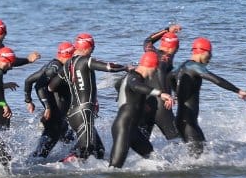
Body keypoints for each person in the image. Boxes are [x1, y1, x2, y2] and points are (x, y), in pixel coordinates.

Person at [49, 34, 127, 162]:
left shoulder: (68, 65)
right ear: (87, 47)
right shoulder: (86, 60)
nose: (94, 49)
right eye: (93, 47)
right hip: (84, 112)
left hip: (73, 114)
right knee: (87, 149)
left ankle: (81, 172)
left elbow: (51, 87)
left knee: (99, 151)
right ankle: (56, 170)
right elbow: (109, 67)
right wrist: (126, 68)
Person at [172, 37, 246, 156]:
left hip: (182, 120)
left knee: (199, 156)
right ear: (203, 52)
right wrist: (238, 91)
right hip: (188, 122)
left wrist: (175, 93)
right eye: (210, 54)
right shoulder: (195, 67)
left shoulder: (182, 66)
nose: (210, 58)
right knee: (197, 159)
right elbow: (216, 80)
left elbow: (169, 76)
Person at [109, 51, 174, 168]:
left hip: (133, 130)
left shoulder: (135, 77)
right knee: (114, 168)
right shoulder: (134, 77)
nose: (155, 72)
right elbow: (137, 86)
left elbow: (119, 85)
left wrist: (139, 102)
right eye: (155, 69)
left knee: (156, 160)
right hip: (123, 128)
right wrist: (160, 94)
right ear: (151, 66)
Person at [25, 42, 75, 158]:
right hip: (55, 117)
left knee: (70, 142)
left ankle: (69, 163)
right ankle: (32, 169)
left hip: (59, 117)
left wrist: (28, 100)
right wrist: (47, 107)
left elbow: (28, 80)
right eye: (73, 56)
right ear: (67, 55)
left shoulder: (53, 65)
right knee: (40, 155)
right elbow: (38, 86)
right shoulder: (55, 68)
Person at [140, 24, 182, 141]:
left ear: (162, 44)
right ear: (176, 47)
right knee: (178, 141)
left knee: (142, 143)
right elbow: (160, 70)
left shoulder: (151, 51)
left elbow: (148, 40)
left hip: (146, 103)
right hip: (161, 107)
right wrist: (164, 94)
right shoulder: (166, 58)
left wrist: (167, 30)